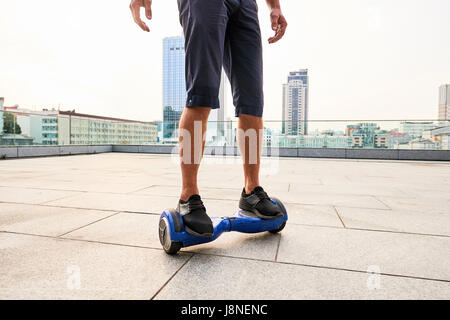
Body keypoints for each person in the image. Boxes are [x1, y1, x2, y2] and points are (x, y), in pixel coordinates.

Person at [130, 0, 287, 237]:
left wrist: (274, 5)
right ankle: (188, 196)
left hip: (245, 4)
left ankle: (251, 191)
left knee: (252, 103)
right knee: (201, 93)